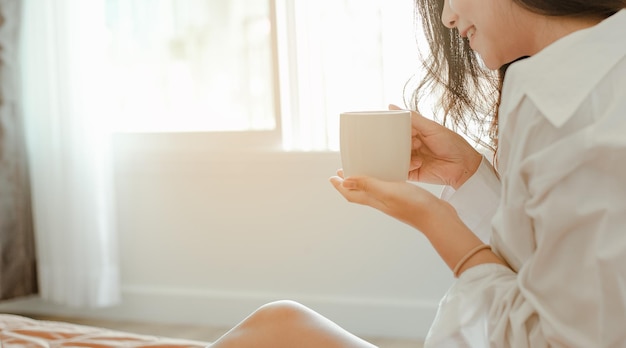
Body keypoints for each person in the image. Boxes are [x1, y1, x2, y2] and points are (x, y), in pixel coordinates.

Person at [208, 0, 626, 346]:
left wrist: (435, 221)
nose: (446, 16)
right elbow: (558, 261)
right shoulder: (587, 73)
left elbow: (558, 335)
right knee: (279, 323)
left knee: (277, 330)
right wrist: (466, 173)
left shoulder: (572, 102)